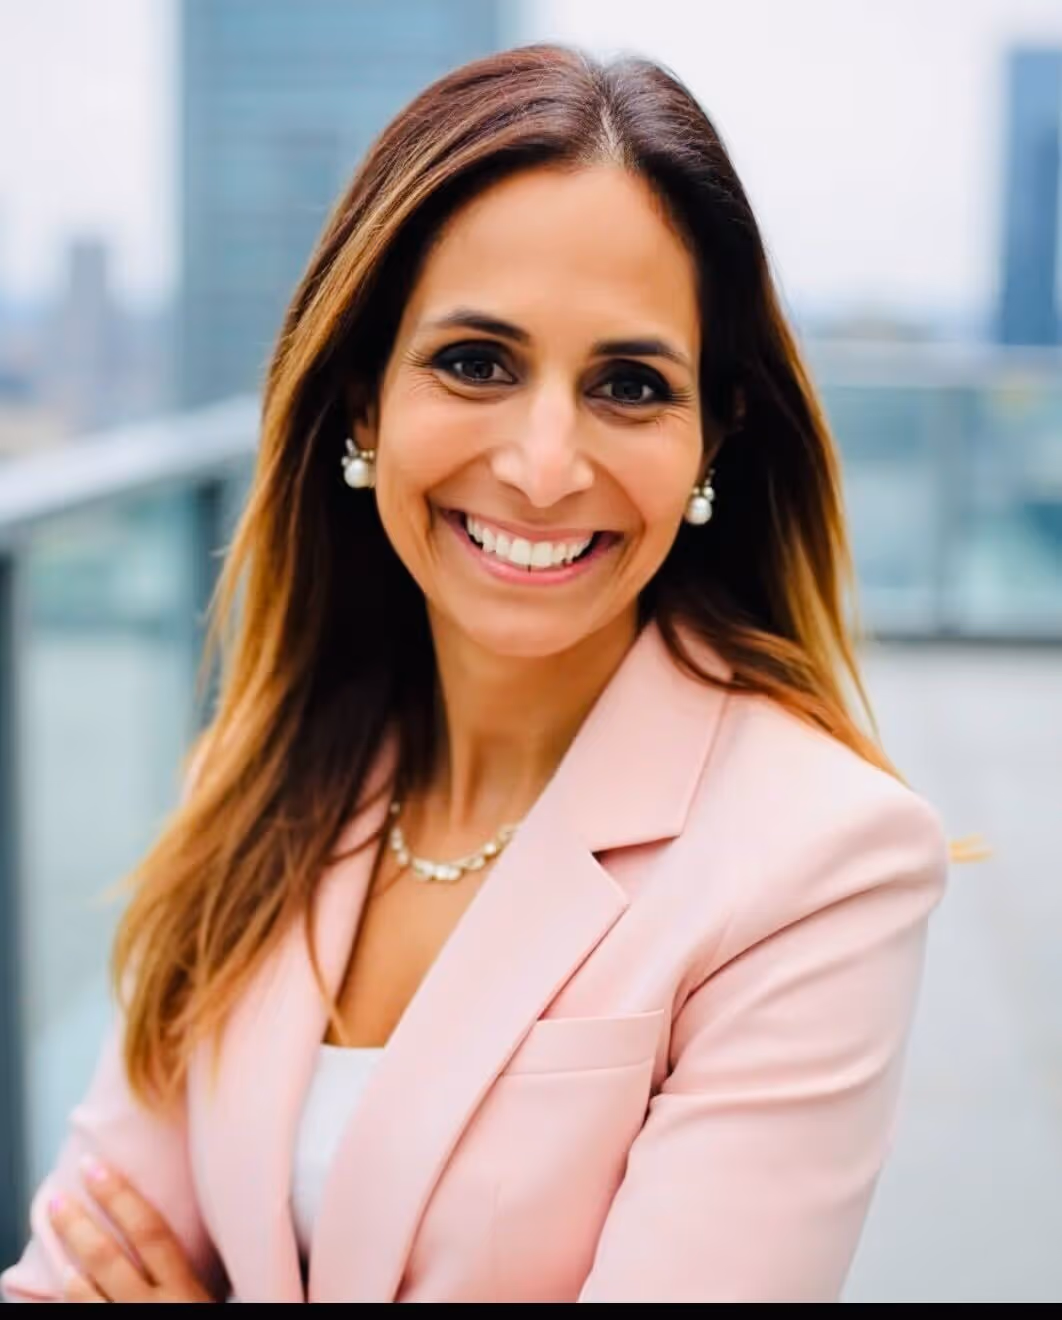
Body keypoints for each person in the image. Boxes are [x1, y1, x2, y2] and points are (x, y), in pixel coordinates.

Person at [1, 44, 949, 1304]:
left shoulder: (821, 861)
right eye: (477, 363)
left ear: (711, 442)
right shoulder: (257, 773)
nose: (544, 466)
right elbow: (77, 1262)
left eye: (629, 385)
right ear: (361, 401)